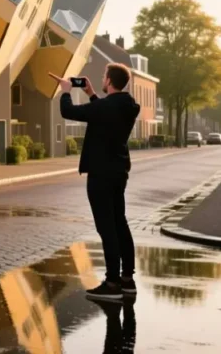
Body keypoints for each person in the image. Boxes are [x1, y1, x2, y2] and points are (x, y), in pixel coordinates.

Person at [51, 64, 140, 301]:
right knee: (119, 222)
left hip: (101, 173)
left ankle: (111, 283)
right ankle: (127, 279)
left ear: (109, 81)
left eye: (103, 76)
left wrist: (66, 90)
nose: (101, 79)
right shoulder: (127, 106)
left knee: (106, 226)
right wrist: (91, 94)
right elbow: (103, 113)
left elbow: (68, 112)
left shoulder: (105, 107)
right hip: (119, 171)